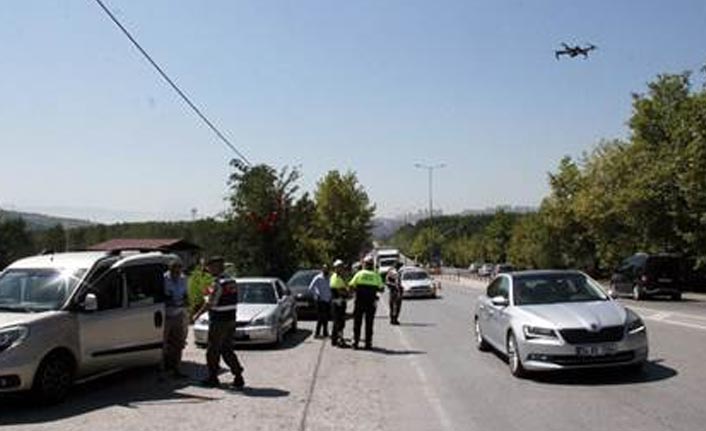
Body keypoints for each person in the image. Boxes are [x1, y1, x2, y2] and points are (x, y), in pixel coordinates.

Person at [192, 256, 245, 389]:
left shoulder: (218, 283)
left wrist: (197, 315)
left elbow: (211, 303)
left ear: (216, 267)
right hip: (231, 320)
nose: (208, 269)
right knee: (227, 349)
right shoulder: (231, 281)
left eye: (210, 266)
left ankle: (213, 378)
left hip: (219, 321)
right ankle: (238, 375)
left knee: (212, 350)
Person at [348, 256, 384, 350]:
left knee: (357, 323)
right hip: (371, 303)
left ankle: (355, 343)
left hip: (359, 302)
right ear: (372, 265)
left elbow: (351, 286)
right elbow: (382, 288)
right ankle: (368, 344)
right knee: (369, 324)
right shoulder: (376, 275)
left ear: (364, 264)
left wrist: (356, 290)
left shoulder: (359, 274)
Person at [163, 257, 189, 377]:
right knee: (164, 343)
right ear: (170, 269)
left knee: (178, 343)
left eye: (179, 270)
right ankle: (162, 369)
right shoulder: (164, 279)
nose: (177, 273)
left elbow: (185, 294)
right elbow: (162, 296)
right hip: (165, 315)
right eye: (175, 271)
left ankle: (177, 370)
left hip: (179, 313)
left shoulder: (183, 279)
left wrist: (185, 301)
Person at [329, 259, 350, 347]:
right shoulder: (336, 277)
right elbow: (337, 289)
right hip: (338, 302)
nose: (342, 269)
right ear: (336, 268)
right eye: (340, 267)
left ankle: (334, 340)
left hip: (339, 301)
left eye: (342, 267)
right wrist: (346, 292)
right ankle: (340, 340)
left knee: (337, 322)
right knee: (340, 322)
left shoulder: (339, 276)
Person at [308, 264, 332, 338]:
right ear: (322, 270)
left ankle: (325, 332)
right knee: (321, 317)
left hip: (328, 300)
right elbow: (311, 287)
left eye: (327, 269)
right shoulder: (318, 278)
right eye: (324, 269)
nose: (326, 270)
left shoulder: (330, 278)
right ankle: (317, 333)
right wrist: (316, 293)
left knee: (326, 317)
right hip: (320, 300)